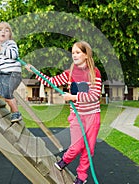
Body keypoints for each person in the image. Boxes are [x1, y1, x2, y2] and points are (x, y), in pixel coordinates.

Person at [26, 41, 101, 184]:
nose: (74, 55)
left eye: (78, 52)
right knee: (77, 146)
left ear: (86, 55)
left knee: (88, 150)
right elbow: (51, 82)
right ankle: (65, 160)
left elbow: (94, 95)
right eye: (73, 53)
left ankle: (81, 177)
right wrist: (35, 72)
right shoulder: (69, 73)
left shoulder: (94, 72)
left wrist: (72, 97)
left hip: (92, 116)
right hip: (77, 116)